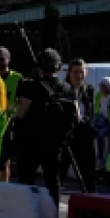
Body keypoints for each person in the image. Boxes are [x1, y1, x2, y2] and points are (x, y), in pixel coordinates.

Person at [15, 48, 73, 206]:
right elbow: (75, 115)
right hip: (56, 143)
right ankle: (53, 214)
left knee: (26, 180)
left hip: (32, 142)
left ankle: (25, 212)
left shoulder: (31, 87)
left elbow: (21, 114)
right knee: (53, 182)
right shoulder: (67, 88)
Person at [62, 59, 97, 193]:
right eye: (75, 72)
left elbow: (90, 112)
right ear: (69, 73)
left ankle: (91, 199)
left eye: (81, 72)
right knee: (60, 172)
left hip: (84, 136)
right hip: (67, 136)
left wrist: (83, 122)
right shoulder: (63, 89)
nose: (79, 75)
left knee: (88, 174)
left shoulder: (89, 90)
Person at [0, 47, 21, 181]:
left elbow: (21, 102)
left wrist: (11, 110)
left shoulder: (17, 78)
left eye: (1, 59)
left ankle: (4, 185)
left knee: (3, 160)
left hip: (8, 124)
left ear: (8, 59)